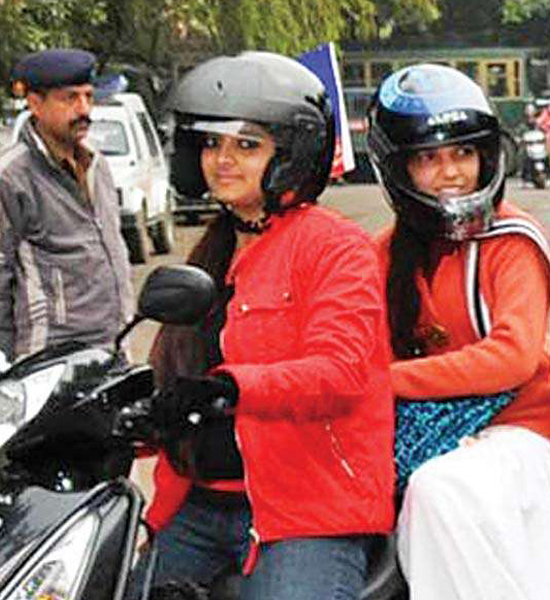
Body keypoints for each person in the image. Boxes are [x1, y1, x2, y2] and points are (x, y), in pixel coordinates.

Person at [139, 52, 394, 599]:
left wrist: (230, 389)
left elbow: (339, 372)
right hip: (196, 505)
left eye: (247, 145)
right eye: (212, 143)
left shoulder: (336, 248)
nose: (223, 160)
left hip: (306, 512)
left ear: (292, 155)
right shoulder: (211, 254)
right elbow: (176, 389)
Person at [368, 64, 550, 600]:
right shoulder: (380, 253)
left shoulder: (512, 240)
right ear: (398, 169)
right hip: (412, 436)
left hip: (522, 433)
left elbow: (512, 357)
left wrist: (388, 380)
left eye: (463, 153)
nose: (450, 173)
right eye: (428, 158)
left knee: (437, 489)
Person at [0, 49, 132, 359]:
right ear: (35, 104)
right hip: (49, 363)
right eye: (70, 98)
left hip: (113, 351)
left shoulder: (97, 165)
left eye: (88, 97)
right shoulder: (11, 178)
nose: (83, 109)